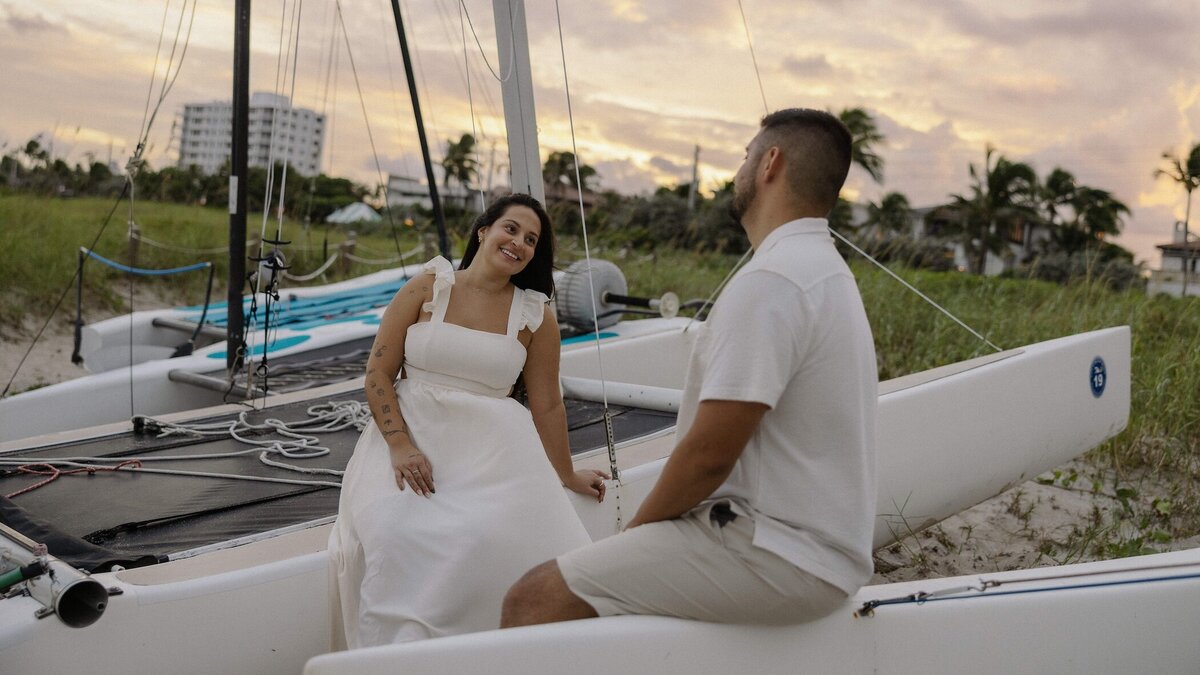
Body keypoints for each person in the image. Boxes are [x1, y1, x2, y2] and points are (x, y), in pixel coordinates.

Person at [501, 108, 878, 627]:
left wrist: (637, 533)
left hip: (773, 548)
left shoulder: (772, 281)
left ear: (771, 163)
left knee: (532, 598)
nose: (739, 168)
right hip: (818, 546)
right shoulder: (827, 272)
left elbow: (708, 455)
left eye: (746, 154)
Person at [328, 193, 608, 649]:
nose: (519, 243)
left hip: (492, 456)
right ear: (484, 230)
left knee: (486, 538)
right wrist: (400, 444)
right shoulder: (429, 286)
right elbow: (378, 373)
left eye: (531, 240)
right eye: (511, 229)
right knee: (396, 532)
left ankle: (480, 652)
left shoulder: (535, 316)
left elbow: (547, 406)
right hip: (410, 442)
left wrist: (566, 474)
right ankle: (397, 654)